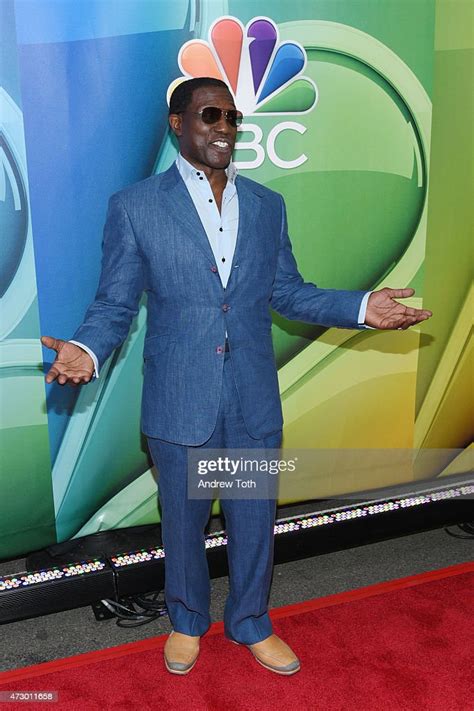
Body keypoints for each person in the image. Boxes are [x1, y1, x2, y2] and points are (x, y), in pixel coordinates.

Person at [42, 77, 432, 676]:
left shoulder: (267, 205)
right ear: (177, 125)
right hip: (180, 398)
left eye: (231, 116)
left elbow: (287, 292)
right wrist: (88, 351)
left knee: (253, 519)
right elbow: (115, 303)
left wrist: (361, 308)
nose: (223, 127)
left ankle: (251, 621)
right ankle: (186, 621)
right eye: (208, 115)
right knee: (184, 523)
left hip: (250, 396)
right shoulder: (136, 205)